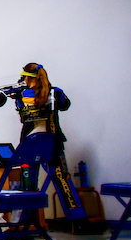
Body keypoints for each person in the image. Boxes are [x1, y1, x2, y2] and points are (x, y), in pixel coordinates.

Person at [8, 62, 85, 221]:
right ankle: (78, 220)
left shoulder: (21, 95)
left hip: (30, 144)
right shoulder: (55, 92)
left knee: (28, 185)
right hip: (51, 143)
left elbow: (19, 108)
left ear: (28, 78)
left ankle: (26, 224)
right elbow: (65, 105)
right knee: (63, 181)